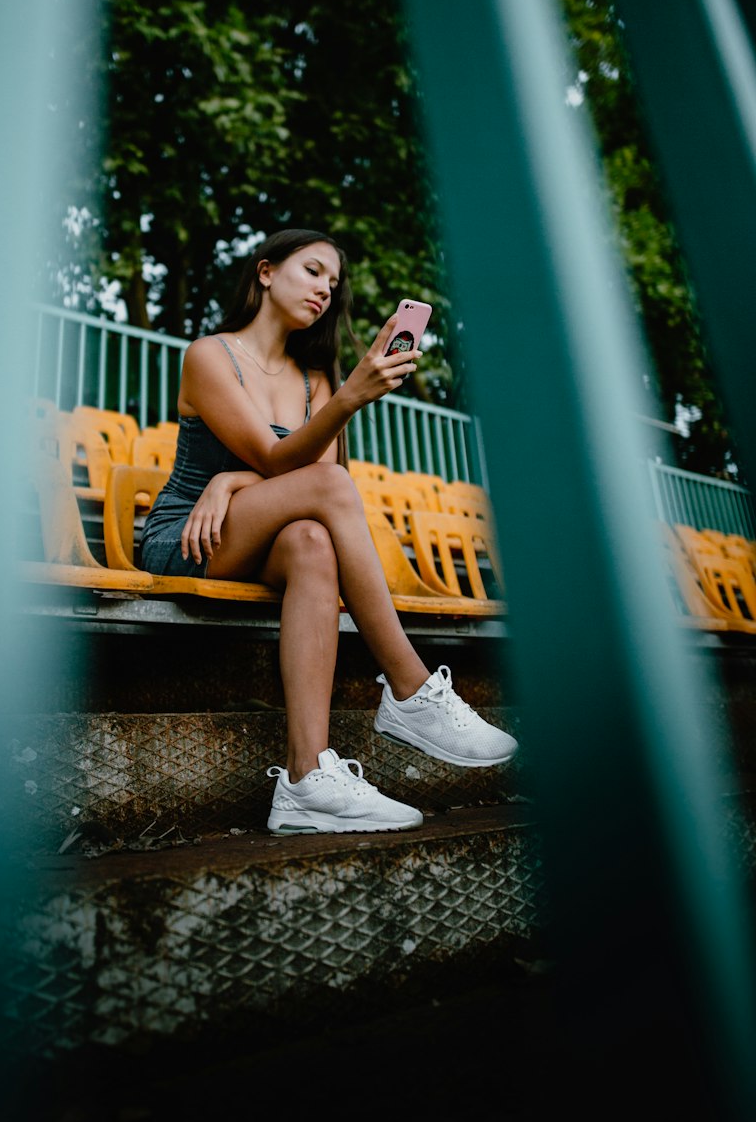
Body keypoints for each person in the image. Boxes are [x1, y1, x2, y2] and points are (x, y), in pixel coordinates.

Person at [140, 228, 518, 834]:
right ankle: (410, 688)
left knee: (314, 542)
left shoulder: (316, 380)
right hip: (186, 534)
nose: (324, 289)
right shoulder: (211, 354)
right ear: (265, 272)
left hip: (256, 530)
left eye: (333, 283)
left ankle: (305, 781)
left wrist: (232, 482)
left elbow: (306, 485)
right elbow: (278, 459)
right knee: (334, 491)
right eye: (313, 270)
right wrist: (348, 401)